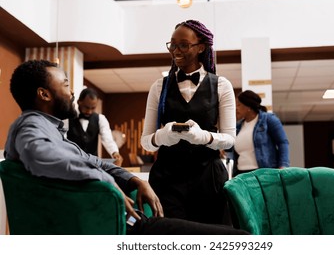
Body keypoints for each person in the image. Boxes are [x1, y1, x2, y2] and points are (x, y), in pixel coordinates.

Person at [4, 59, 249, 235]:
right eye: (66, 84)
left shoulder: (50, 128)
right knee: (239, 240)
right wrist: (107, 183)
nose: (71, 92)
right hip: (122, 227)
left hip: (123, 220)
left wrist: (134, 181)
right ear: (44, 94)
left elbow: (94, 160)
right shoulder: (31, 128)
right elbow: (42, 158)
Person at [141, 20, 236, 225]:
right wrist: (162, 136)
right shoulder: (159, 87)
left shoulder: (221, 85)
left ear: (201, 47)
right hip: (167, 179)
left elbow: (229, 139)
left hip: (208, 178)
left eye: (183, 45)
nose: (176, 50)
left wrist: (205, 137)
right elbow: (145, 141)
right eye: (172, 45)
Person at [232, 90, 290, 176]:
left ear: (249, 107)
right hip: (241, 174)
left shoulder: (269, 119)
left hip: (264, 173)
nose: (236, 108)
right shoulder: (238, 127)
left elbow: (283, 143)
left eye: (239, 105)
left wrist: (283, 166)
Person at [67, 87, 124, 166]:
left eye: (93, 108)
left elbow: (107, 138)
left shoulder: (100, 119)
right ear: (79, 102)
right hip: (71, 162)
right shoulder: (67, 117)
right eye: (86, 107)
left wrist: (114, 152)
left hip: (93, 164)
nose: (89, 111)